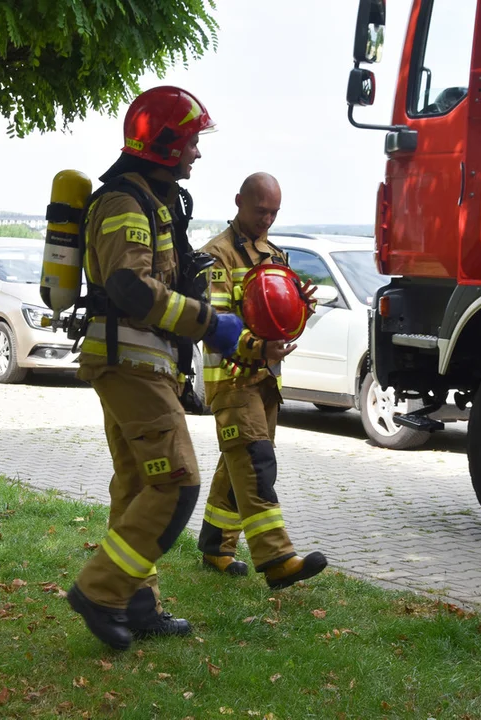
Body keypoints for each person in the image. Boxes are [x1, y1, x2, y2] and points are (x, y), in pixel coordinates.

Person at [66, 86, 244, 651]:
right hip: (130, 362)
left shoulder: (154, 198)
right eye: (192, 141)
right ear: (165, 143)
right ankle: (100, 590)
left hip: (138, 361)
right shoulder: (124, 202)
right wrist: (205, 322)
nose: (197, 153)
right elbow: (127, 285)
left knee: (139, 483)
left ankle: (135, 603)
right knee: (176, 483)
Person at [195, 172, 329, 589]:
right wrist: (257, 348)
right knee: (255, 463)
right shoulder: (215, 256)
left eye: (274, 212)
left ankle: (216, 546)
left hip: (267, 380)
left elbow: (283, 316)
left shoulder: (275, 254)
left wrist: (300, 309)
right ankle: (276, 559)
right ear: (238, 201)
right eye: (260, 211)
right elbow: (213, 323)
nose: (267, 219)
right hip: (232, 380)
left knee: (237, 462)